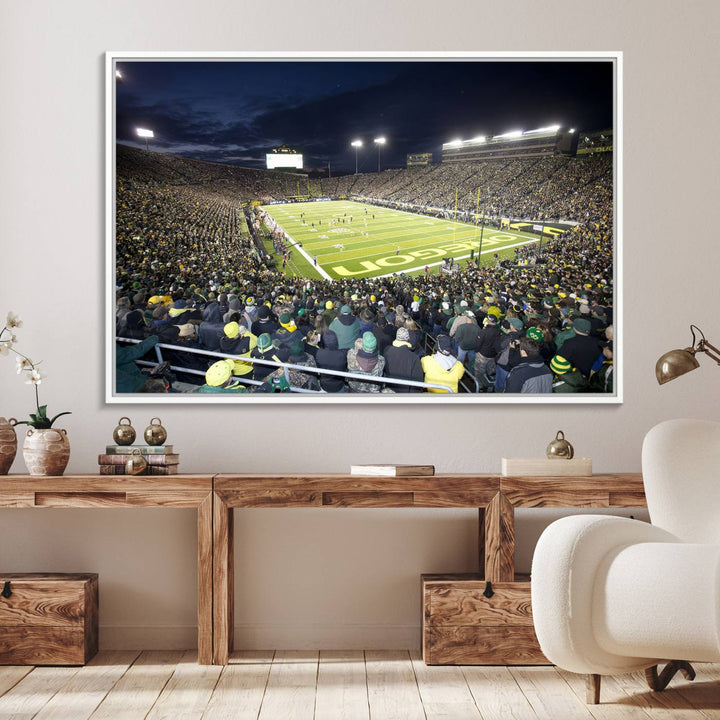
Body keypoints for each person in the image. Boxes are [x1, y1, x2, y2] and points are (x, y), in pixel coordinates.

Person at [383, 327, 423, 392]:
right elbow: (417, 384)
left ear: (396, 337)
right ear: (408, 339)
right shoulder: (414, 358)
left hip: (389, 391)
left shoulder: (387, 350)